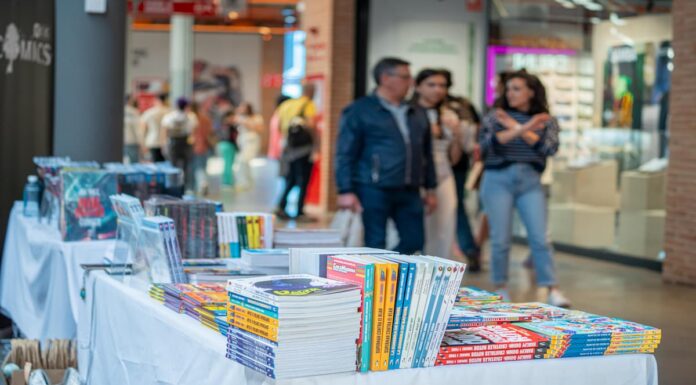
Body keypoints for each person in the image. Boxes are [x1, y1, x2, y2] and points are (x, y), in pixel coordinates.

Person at [478, 70, 570, 307]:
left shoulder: (546, 120)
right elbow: (489, 145)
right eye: (508, 89)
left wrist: (516, 128)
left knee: (540, 237)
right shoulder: (495, 116)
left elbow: (548, 148)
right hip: (497, 179)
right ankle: (500, 287)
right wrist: (527, 127)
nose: (510, 93)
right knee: (500, 238)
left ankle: (553, 288)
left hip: (530, 180)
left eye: (517, 88)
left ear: (531, 92)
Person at [336, 57, 437, 254]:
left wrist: (430, 187)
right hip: (373, 187)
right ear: (385, 78)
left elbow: (426, 152)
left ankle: (392, 272)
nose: (411, 83)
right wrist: (345, 189)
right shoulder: (360, 110)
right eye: (405, 77)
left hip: (409, 188)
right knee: (375, 243)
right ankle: (379, 282)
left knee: (415, 240)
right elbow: (345, 152)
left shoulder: (416, 112)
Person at [411, 69, 463, 261]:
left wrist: (456, 134)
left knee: (444, 227)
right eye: (431, 85)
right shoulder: (409, 112)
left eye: (442, 85)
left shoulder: (449, 116)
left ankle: (438, 275)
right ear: (418, 86)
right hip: (415, 176)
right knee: (414, 227)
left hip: (443, 174)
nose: (438, 90)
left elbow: (454, 158)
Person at [440, 69, 482, 271]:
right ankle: (468, 249)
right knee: (457, 208)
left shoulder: (456, 107)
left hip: (454, 165)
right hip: (456, 164)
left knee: (454, 208)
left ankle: (466, 249)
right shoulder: (463, 105)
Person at [274, 84, 318, 220]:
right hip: (303, 149)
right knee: (303, 179)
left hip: (289, 147)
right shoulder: (308, 104)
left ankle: (281, 206)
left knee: (291, 178)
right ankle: (299, 211)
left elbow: (280, 126)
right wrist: (317, 145)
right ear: (310, 91)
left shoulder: (286, 105)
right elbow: (311, 126)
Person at [162, 97, 198, 192]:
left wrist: (165, 143)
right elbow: (193, 131)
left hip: (173, 142)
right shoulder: (191, 116)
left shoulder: (169, 116)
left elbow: (165, 130)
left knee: (172, 165)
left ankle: (172, 187)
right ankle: (185, 187)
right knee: (186, 166)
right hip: (186, 142)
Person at [234, 102, 264, 190]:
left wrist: (247, 123)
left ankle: (246, 182)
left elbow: (260, 129)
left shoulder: (256, 118)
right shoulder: (240, 117)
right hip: (243, 143)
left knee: (243, 161)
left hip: (251, 142)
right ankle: (245, 181)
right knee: (242, 162)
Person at [190, 102, 216, 195]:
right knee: (202, 166)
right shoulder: (205, 118)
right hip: (205, 146)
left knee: (197, 167)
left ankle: (201, 184)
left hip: (195, 146)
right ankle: (202, 184)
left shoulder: (192, 119)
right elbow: (211, 132)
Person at [140, 93, 170, 162]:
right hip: (166, 142)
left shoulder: (149, 113)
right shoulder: (170, 112)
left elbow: (143, 130)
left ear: (156, 100)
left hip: (152, 141)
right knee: (166, 165)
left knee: (154, 164)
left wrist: (143, 144)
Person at [217, 110, 239, 186]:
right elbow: (232, 137)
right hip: (228, 145)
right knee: (228, 164)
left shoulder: (222, 125)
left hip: (223, 144)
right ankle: (228, 181)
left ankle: (227, 180)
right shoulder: (229, 126)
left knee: (227, 163)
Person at [123, 94, 141, 164]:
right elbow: (137, 130)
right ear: (130, 101)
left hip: (122, 142)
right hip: (132, 141)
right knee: (134, 163)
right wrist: (141, 143)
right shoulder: (134, 112)